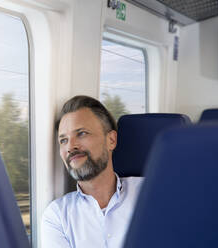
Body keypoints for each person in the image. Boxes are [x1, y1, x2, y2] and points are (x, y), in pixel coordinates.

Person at [41, 95, 144, 248]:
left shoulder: (149, 192)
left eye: (81, 133)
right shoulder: (57, 217)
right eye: (63, 140)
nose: (71, 147)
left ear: (111, 140)